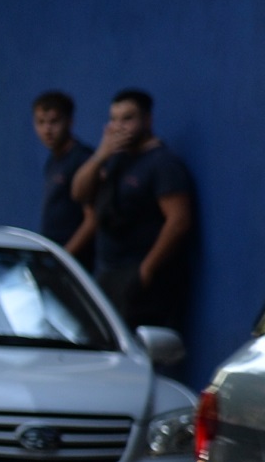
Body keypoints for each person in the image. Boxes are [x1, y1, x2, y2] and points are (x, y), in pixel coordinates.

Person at [70, 86, 197, 332]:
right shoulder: (115, 158)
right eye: (114, 119)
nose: (119, 126)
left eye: (128, 118)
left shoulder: (162, 163)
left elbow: (178, 221)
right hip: (107, 272)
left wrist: (146, 270)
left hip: (139, 278)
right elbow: (79, 193)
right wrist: (101, 155)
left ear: (147, 120)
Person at [32, 91, 94, 258]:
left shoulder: (82, 159)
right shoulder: (53, 160)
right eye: (41, 122)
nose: (47, 130)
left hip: (76, 261)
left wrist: (65, 256)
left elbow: (92, 219)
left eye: (54, 122)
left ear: (69, 122)